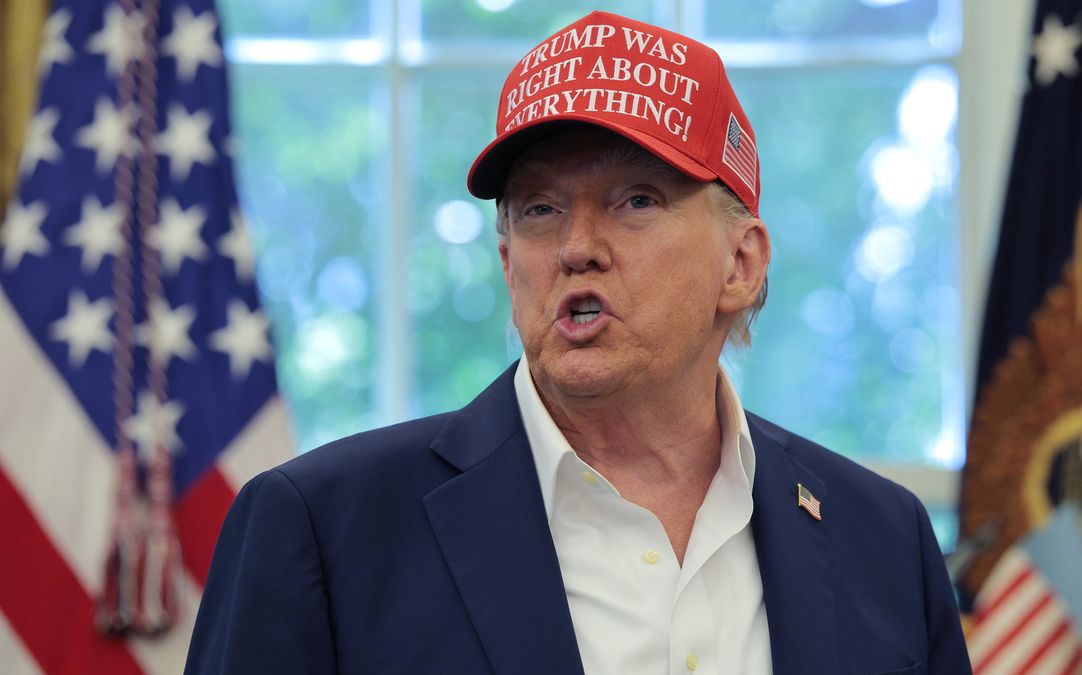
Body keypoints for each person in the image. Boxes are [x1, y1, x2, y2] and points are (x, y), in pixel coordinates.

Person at [185, 11, 970, 674]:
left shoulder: (885, 540)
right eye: (538, 210)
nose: (576, 246)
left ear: (741, 264)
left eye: (635, 200)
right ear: (507, 263)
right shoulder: (323, 530)